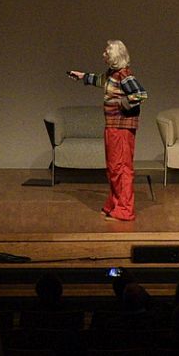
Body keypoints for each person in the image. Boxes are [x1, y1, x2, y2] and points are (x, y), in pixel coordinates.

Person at [68, 39, 145, 222]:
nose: (104, 55)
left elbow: (140, 94)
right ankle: (114, 204)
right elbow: (101, 80)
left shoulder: (124, 75)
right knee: (113, 168)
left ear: (114, 55)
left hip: (122, 127)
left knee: (121, 168)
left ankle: (125, 210)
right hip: (112, 126)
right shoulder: (113, 74)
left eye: (106, 52)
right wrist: (83, 76)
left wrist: (120, 104)